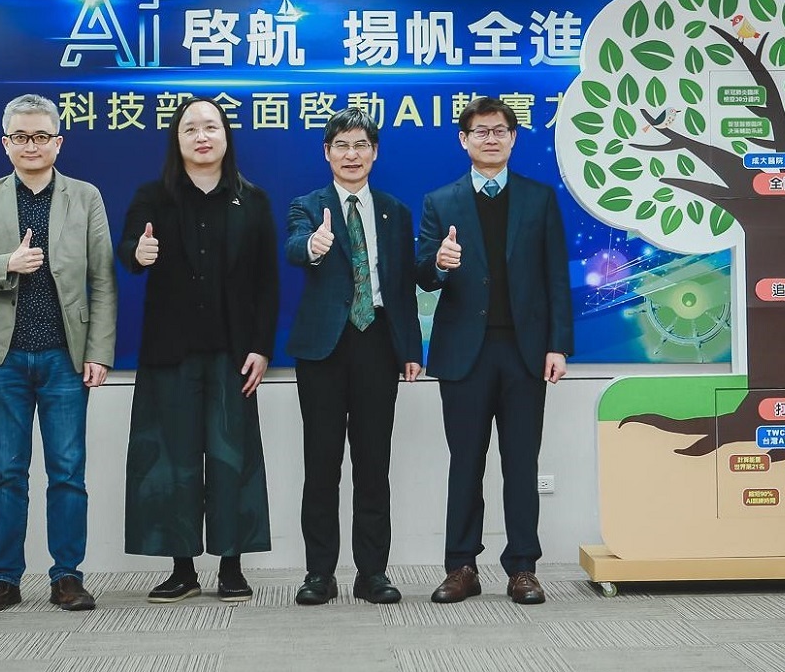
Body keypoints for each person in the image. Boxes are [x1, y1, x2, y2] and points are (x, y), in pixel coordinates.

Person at [0, 94, 117, 613]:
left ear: (58, 142)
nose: (31, 145)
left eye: (41, 136)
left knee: (67, 471)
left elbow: (103, 281)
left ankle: (67, 577)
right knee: (7, 472)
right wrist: (8, 262)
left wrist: (100, 352)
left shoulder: (85, 196)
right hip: (3, 358)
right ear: (6, 144)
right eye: (21, 137)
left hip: (65, 358)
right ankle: (4, 577)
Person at [119, 97, 280, 604]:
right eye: (190, 128)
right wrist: (137, 253)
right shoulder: (153, 196)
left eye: (211, 126)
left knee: (233, 459)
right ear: (178, 139)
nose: (202, 135)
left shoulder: (252, 200)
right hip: (171, 352)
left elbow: (267, 283)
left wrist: (261, 347)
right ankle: (182, 567)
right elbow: (128, 250)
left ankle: (231, 566)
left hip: (234, 353)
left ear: (226, 136)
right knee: (173, 460)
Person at [417, 96, 572, 605]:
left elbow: (556, 278)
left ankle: (523, 567)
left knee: (521, 462)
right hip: (466, 354)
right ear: (464, 141)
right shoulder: (441, 201)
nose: (490, 138)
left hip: (525, 352)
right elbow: (421, 274)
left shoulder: (539, 198)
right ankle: (461, 566)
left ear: (513, 138)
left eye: (499, 130)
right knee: (466, 462)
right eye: (480, 131)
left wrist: (558, 345)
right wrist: (439, 262)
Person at [283, 107, 423, 606]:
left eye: (360, 145)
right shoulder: (307, 204)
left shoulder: (394, 210)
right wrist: (316, 246)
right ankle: (319, 573)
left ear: (375, 152)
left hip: (377, 345)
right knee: (321, 465)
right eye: (341, 145)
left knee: (372, 464)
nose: (351, 154)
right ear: (327, 153)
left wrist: (410, 349)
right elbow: (296, 247)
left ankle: (372, 573)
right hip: (323, 349)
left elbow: (404, 286)